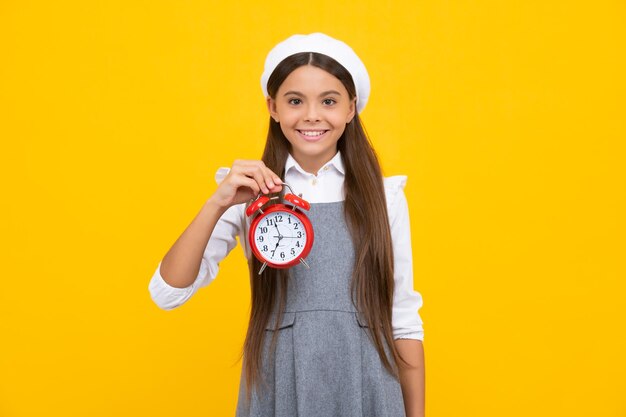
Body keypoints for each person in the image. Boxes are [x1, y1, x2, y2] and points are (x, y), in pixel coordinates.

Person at [149, 32, 425, 417]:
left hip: (367, 385)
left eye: (329, 101)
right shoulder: (247, 192)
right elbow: (167, 293)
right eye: (295, 101)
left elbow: (404, 321)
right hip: (279, 383)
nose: (312, 115)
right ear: (273, 107)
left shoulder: (385, 197)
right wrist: (218, 202)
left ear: (351, 108)